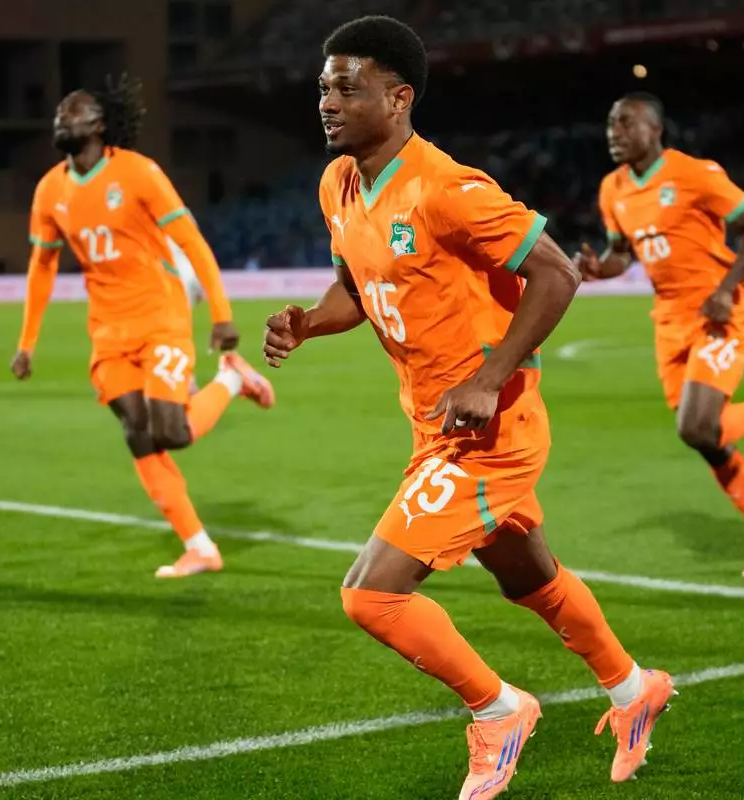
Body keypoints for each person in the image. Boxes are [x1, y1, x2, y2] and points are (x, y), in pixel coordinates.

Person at [264, 17, 672, 797]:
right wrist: (308, 322)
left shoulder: (448, 188)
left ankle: (499, 711)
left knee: (370, 594)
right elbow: (359, 288)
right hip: (434, 426)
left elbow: (557, 272)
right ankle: (634, 689)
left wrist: (489, 377)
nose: (327, 102)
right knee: (530, 580)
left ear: (399, 98)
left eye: (347, 88)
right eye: (323, 88)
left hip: (491, 432)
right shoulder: (338, 183)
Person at [13, 73, 274, 578]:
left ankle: (231, 378)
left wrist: (221, 314)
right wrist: (27, 343)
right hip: (107, 332)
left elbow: (193, 242)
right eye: (59, 113)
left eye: (74, 112)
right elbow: (41, 266)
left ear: (100, 124)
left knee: (171, 432)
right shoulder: (49, 191)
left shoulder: (138, 173)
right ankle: (199, 547)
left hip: (160, 318)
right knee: (138, 433)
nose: (62, 118)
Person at [577, 93, 744, 579]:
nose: (614, 133)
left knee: (696, 427)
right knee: (707, 441)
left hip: (719, 311)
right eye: (611, 124)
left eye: (626, 123)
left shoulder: (693, 173)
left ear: (655, 129)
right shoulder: (612, 189)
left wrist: (726, 289)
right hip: (669, 320)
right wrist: (600, 268)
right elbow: (621, 253)